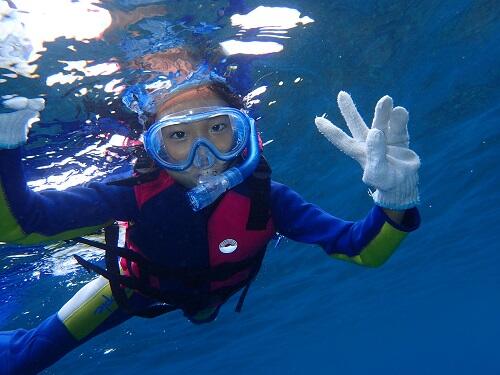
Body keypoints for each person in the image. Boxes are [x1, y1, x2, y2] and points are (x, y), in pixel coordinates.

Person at [0, 59, 421, 373]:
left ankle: (201, 309)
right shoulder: (133, 194)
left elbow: (361, 250)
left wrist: (395, 200)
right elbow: (22, 224)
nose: (203, 156)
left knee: (203, 311)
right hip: (135, 287)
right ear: (153, 147)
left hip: (215, 291)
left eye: (219, 129)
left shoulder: (269, 199)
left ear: (244, 136)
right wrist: (6, 144)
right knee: (24, 358)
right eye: (178, 137)